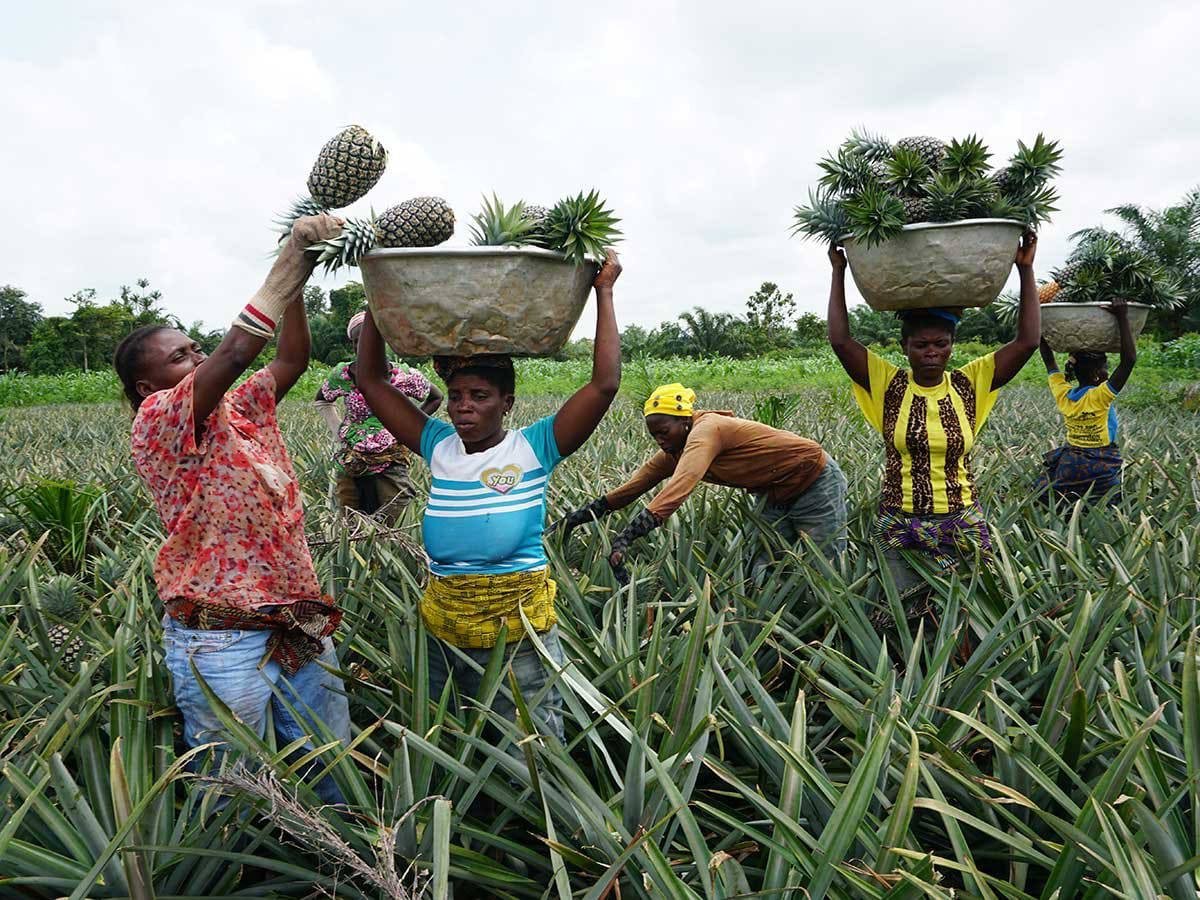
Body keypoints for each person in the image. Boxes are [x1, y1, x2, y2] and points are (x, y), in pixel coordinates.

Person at [113, 215, 350, 803]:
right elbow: (241, 347)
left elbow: (291, 358)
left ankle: (344, 872)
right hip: (221, 634)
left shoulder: (238, 407)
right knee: (232, 784)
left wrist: (301, 277)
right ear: (147, 387)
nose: (194, 359)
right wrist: (289, 256)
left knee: (329, 761)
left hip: (296, 613)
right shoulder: (162, 419)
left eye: (195, 348)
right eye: (178, 357)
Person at [353, 251, 623, 742]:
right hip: (444, 622)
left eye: (479, 396)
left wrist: (603, 292)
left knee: (531, 741)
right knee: (450, 730)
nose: (462, 408)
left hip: (518, 629)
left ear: (507, 403)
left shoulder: (535, 447)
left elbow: (603, 385)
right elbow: (371, 382)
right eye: (456, 396)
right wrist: (379, 298)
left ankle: (538, 817)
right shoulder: (438, 446)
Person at [826, 232, 1041, 624]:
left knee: (973, 613)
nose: (931, 352)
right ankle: (904, 678)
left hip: (961, 516)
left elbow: (1027, 342)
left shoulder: (970, 383)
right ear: (905, 346)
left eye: (940, 344)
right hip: (899, 518)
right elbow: (841, 341)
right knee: (898, 617)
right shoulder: (887, 384)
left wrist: (1024, 271)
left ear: (951, 345)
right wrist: (839, 271)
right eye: (921, 344)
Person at [558, 383, 847, 588]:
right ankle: (769, 622)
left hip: (814, 481)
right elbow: (633, 487)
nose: (659, 439)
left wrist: (627, 536)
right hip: (774, 492)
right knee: (760, 559)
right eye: (653, 434)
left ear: (684, 420)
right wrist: (577, 518)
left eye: (663, 430)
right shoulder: (675, 449)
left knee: (822, 560)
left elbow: (680, 486)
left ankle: (825, 628)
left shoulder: (707, 430)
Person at [314, 311, 443, 523]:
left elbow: (436, 397)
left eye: (370, 340)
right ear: (352, 345)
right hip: (352, 457)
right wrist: (339, 431)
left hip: (389, 456)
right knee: (348, 518)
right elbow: (321, 399)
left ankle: (388, 549)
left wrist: (407, 429)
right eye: (358, 342)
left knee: (398, 511)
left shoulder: (401, 375)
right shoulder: (343, 375)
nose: (364, 346)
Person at [1035, 299, 1136, 504]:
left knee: (1059, 496)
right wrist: (1122, 317)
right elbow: (1129, 360)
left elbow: (1049, 361)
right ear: (1097, 374)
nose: (1108, 371)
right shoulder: (1100, 396)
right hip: (1101, 462)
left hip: (1072, 461)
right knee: (1110, 502)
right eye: (1105, 367)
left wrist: (1039, 323)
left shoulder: (1063, 393)